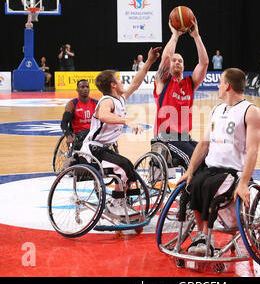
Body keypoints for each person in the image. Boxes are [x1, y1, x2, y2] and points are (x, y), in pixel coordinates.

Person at [177, 68, 260, 255]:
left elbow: (253, 151)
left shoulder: (250, 111)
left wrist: (245, 183)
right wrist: (190, 170)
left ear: (228, 86)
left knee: (208, 187)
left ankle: (206, 236)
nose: (218, 85)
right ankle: (201, 235)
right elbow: (203, 144)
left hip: (233, 173)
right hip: (212, 169)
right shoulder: (216, 110)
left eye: (221, 82)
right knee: (192, 184)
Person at [79, 47, 162, 215]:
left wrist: (150, 61)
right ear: (113, 85)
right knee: (123, 166)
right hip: (92, 150)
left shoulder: (119, 99)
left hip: (103, 149)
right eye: (119, 80)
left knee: (128, 166)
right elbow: (103, 115)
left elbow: (136, 82)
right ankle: (114, 202)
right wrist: (127, 121)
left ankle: (123, 200)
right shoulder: (107, 101)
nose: (123, 82)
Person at [153, 18, 208, 170]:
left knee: (210, 155)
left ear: (184, 66)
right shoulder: (163, 81)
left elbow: (203, 64)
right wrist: (175, 35)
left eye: (180, 61)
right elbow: (165, 58)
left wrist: (196, 36)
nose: (177, 62)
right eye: (174, 60)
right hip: (166, 140)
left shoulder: (190, 83)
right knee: (194, 161)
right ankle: (191, 192)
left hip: (185, 138)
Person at [60, 79, 98, 150]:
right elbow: (64, 123)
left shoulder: (96, 103)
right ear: (77, 89)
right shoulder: (72, 104)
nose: (85, 89)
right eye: (82, 87)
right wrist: (68, 136)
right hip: (79, 135)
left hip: (94, 134)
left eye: (87, 87)